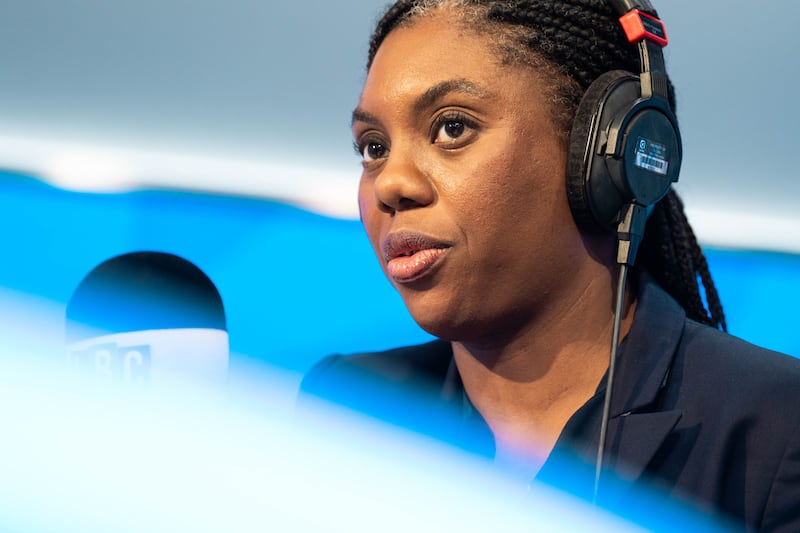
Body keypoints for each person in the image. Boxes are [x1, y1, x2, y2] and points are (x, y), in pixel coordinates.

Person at [300, 0, 800, 529]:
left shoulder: (774, 430)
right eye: (373, 147)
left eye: (451, 128)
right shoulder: (349, 408)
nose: (390, 184)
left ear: (607, 159)